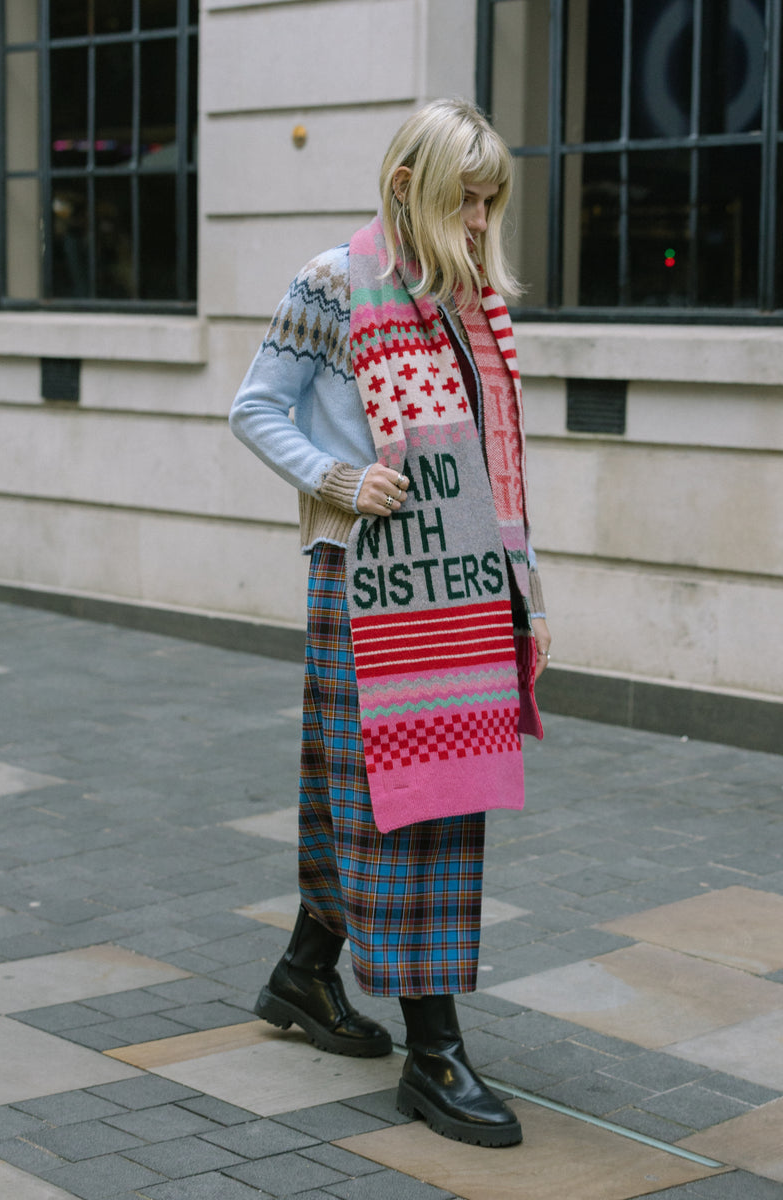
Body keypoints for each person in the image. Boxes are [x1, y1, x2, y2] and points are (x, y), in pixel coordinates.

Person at [229, 98, 551, 1148]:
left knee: (370, 790)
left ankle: (304, 974)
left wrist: (520, 588)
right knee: (405, 805)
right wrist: (334, 476)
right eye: (464, 197)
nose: (477, 218)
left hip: (458, 585)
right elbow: (254, 406)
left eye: (489, 201)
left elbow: (492, 464)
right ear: (406, 185)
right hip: (366, 582)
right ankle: (434, 1053)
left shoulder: (466, 302)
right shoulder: (333, 282)